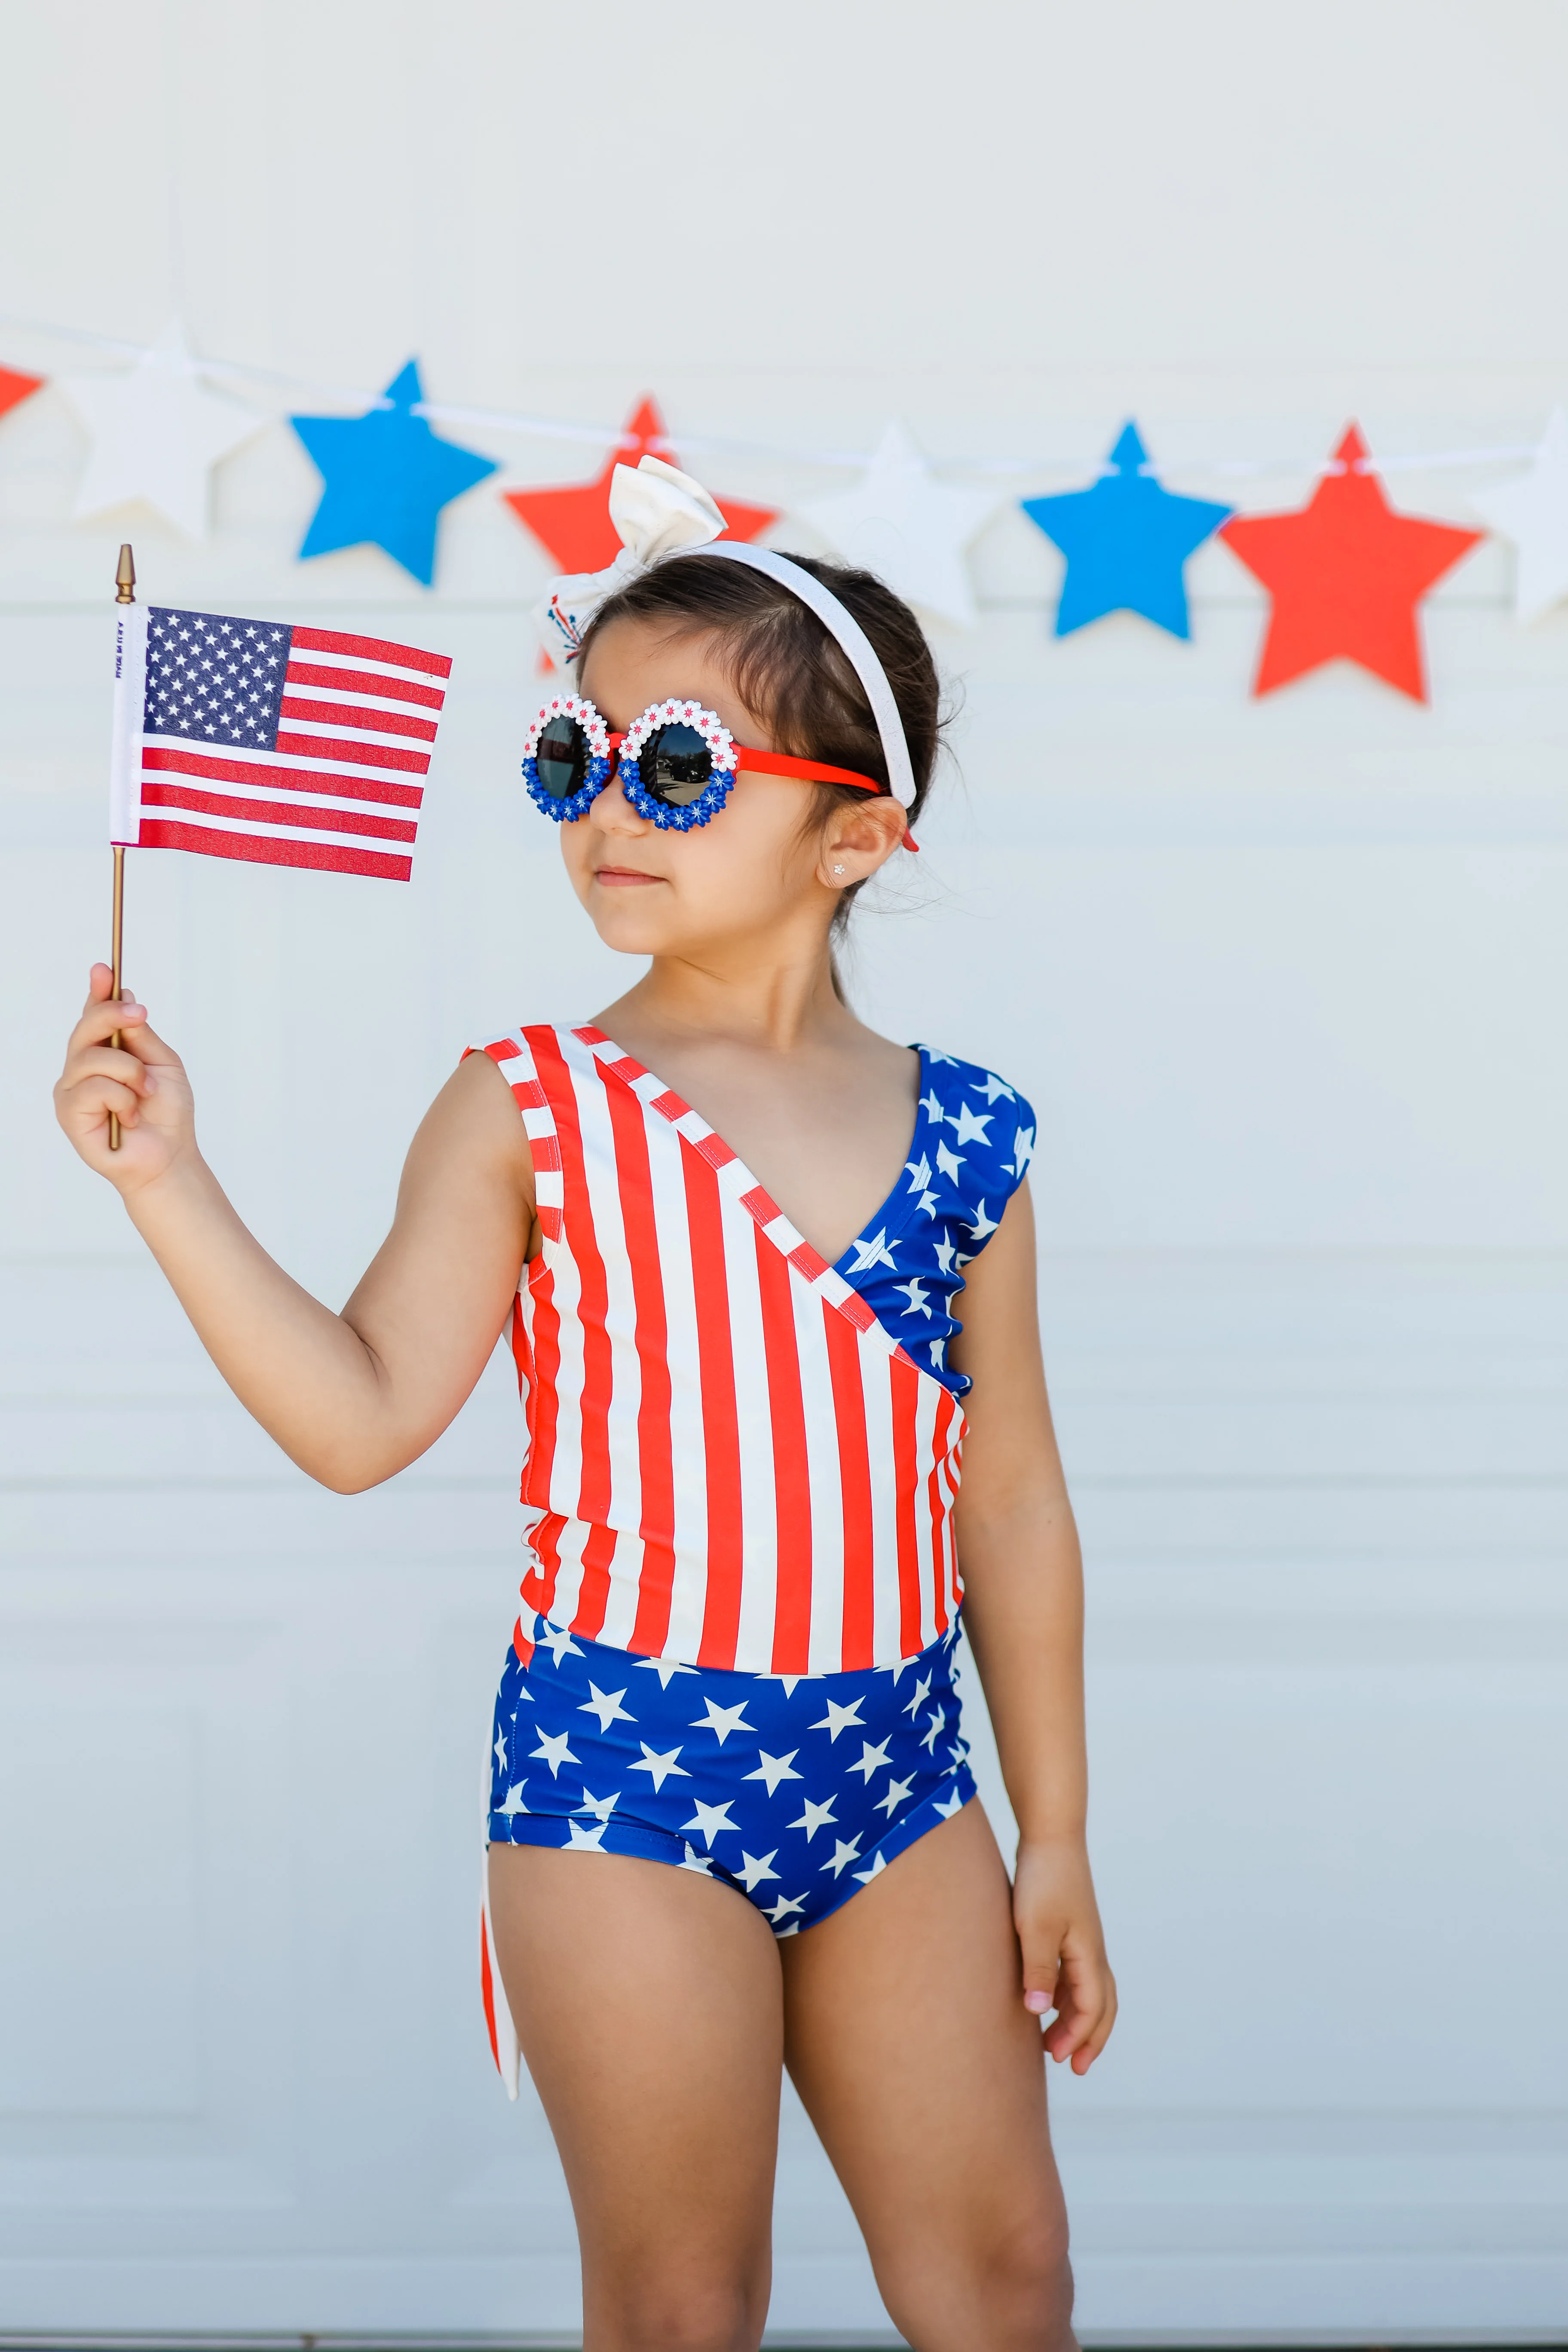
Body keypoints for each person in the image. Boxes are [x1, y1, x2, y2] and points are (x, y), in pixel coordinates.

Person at [54, 458, 1116, 2352]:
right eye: (577, 759)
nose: (610, 808)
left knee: (1004, 2278)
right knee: (683, 2298)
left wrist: (1057, 1833)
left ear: (853, 839)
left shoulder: (970, 1133)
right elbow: (365, 1416)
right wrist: (168, 1184)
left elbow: (1013, 1500)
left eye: (681, 767)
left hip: (897, 1780)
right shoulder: (531, 1104)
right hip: (624, 1784)